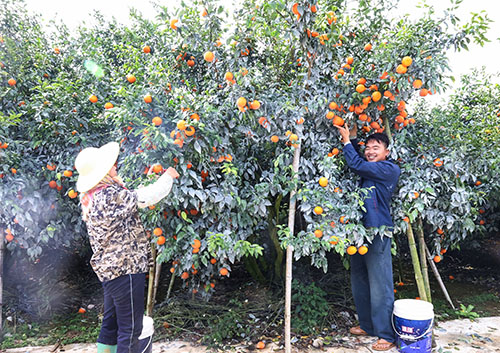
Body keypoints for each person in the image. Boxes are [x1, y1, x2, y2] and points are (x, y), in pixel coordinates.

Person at [74, 141, 179, 353]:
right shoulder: (109, 194)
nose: (115, 165)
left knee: (111, 325)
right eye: (111, 164)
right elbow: (147, 197)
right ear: (102, 172)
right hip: (126, 268)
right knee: (131, 330)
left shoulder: (93, 195)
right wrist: (167, 177)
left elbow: (129, 198)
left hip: (110, 270)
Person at [334, 123, 400, 351]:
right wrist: (352, 139)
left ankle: (386, 334)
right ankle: (367, 324)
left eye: (376, 148)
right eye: (368, 147)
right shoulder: (369, 168)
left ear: (386, 152)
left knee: (380, 284)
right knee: (360, 280)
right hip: (359, 232)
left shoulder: (389, 169)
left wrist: (345, 141)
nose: (371, 151)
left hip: (378, 231)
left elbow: (356, 164)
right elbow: (360, 164)